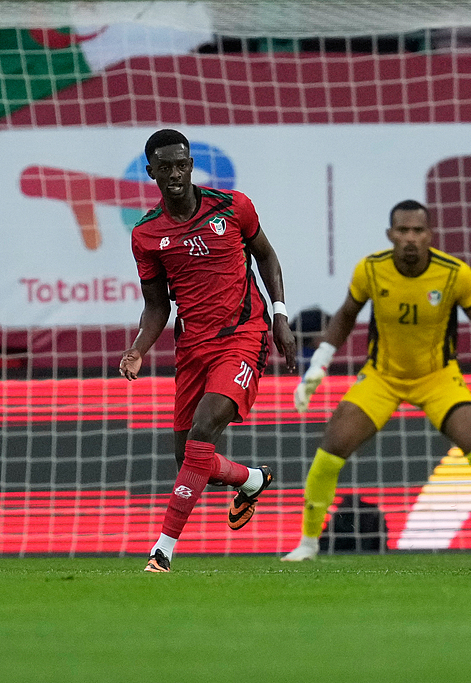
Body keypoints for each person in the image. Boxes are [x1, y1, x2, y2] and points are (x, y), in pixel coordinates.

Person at [282, 199, 471, 561]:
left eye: (418, 231)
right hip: (383, 376)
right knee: (331, 449)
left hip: (438, 377)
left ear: (430, 235)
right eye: (403, 230)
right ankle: (308, 544)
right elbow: (346, 314)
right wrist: (318, 365)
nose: (411, 238)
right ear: (390, 235)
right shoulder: (371, 270)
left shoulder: (454, 273)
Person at [120, 129, 297, 573]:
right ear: (152, 172)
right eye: (166, 167)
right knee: (187, 459)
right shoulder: (146, 234)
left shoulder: (233, 206)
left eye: (182, 164)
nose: (175, 173)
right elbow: (157, 305)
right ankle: (252, 480)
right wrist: (138, 349)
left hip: (244, 334)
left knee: (203, 431)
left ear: (191, 165)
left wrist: (279, 315)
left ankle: (163, 549)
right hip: (193, 347)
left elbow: (267, 257)